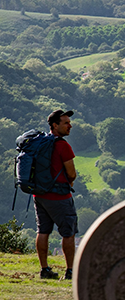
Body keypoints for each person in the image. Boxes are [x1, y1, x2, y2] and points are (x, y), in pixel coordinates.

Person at [34, 109, 78, 280]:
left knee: (43, 230)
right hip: (59, 196)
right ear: (55, 125)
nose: (70, 126)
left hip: (39, 195)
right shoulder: (63, 146)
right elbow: (72, 173)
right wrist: (70, 180)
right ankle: (70, 271)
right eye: (66, 123)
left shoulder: (40, 144)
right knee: (68, 232)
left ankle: (44, 269)